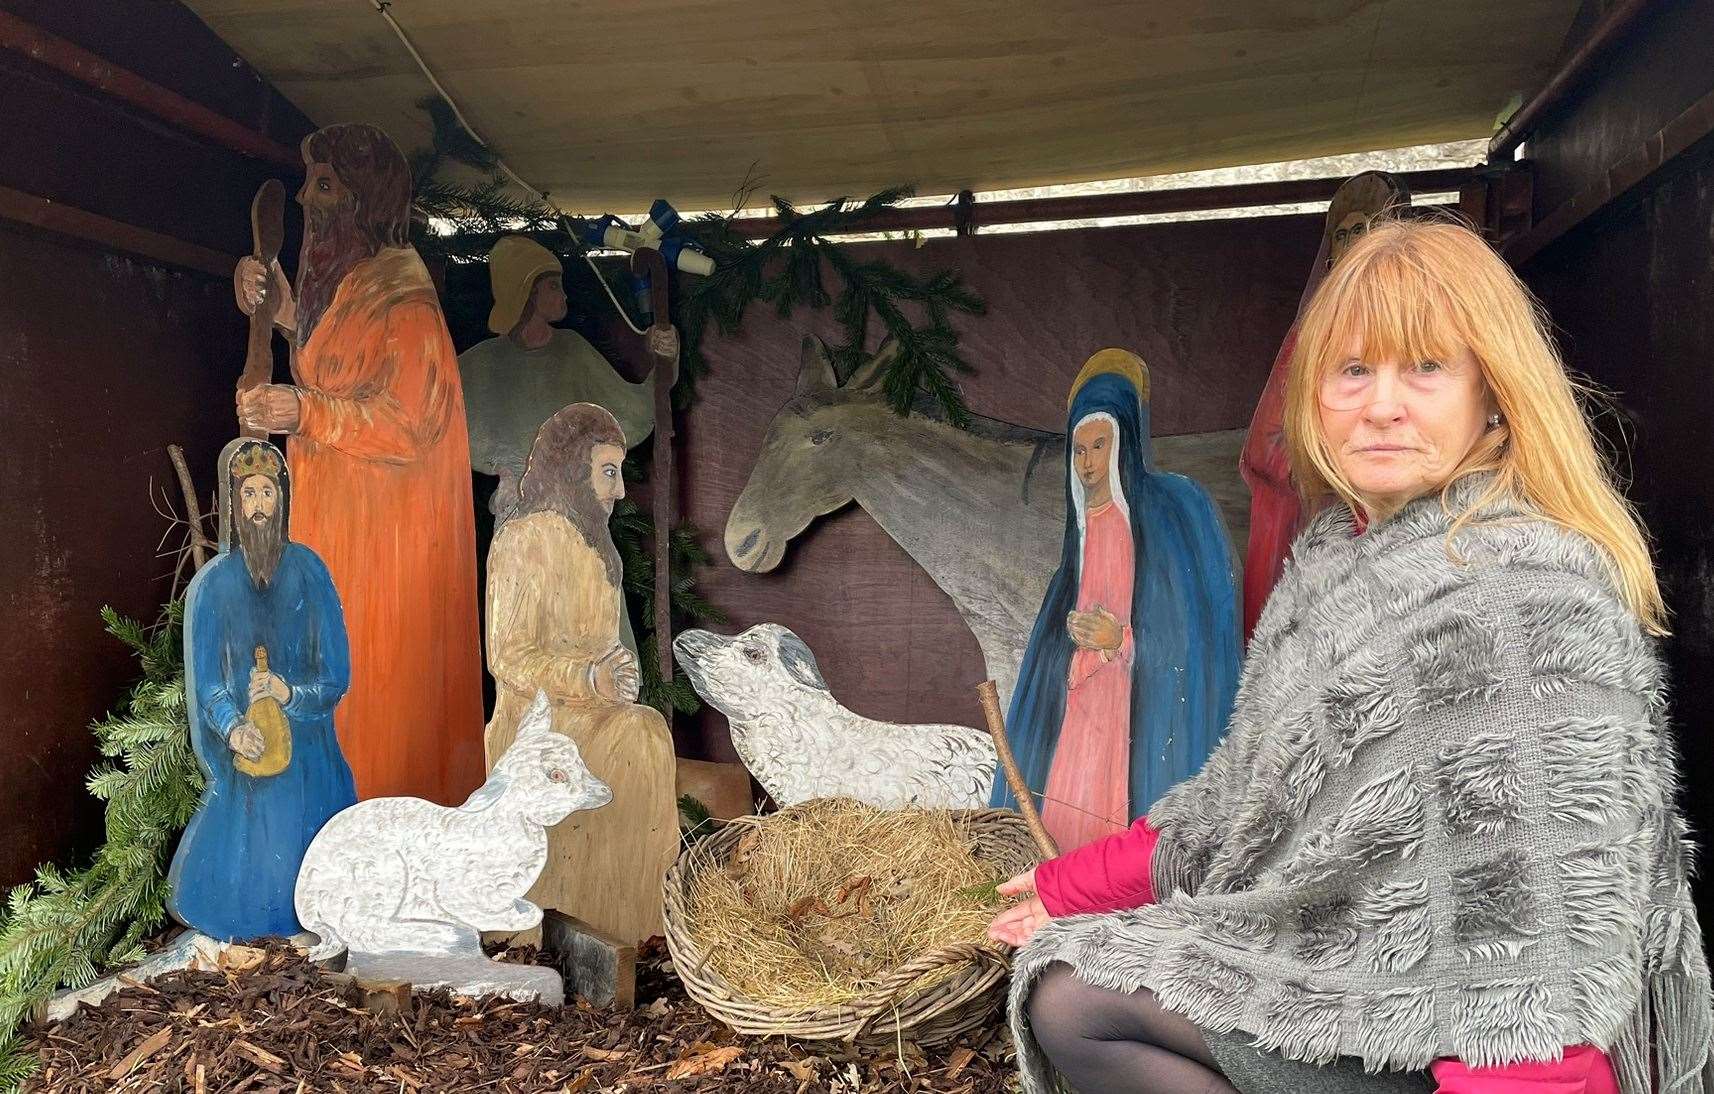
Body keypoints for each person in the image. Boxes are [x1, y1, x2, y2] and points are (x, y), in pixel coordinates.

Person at [991, 221, 1712, 1094]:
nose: (1381, 406)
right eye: (1353, 370)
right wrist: (1067, 889)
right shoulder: (1340, 554)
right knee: (1070, 987)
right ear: (1314, 397)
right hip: (1359, 972)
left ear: (1495, 394)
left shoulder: (1523, 596)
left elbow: (1532, 942)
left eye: (1426, 368)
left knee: (1079, 999)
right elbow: (1238, 804)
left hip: (1481, 1051)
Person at [234, 123, 485, 806]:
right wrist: (270, 299)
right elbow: (326, 342)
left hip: (388, 545)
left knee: (373, 692)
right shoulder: (354, 278)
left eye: (322, 186)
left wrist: (304, 411)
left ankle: (374, 829)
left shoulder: (408, 306)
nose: (306, 202)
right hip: (334, 525)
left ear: (359, 200)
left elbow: (405, 422)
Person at [991, 350, 1240, 851]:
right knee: (1069, 808)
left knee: (1115, 817)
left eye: (1098, 446)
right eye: (1078, 450)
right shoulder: (1079, 540)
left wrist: (1121, 640)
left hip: (1134, 704)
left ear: (1123, 442)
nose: (1086, 464)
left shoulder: (1170, 515)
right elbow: (1049, 649)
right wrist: (1071, 641)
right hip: (1082, 700)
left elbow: (1191, 637)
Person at [481, 404, 678, 945]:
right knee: (638, 738)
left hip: (592, 713)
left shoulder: (595, 548)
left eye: (620, 473)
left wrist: (616, 679)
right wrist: (587, 679)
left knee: (643, 734)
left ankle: (633, 926)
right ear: (573, 469)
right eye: (608, 472)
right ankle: (559, 922)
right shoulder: (524, 541)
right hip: (536, 723)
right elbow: (509, 656)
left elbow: (605, 649)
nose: (618, 491)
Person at [168, 439, 356, 940]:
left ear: (282, 501)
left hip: (313, 763)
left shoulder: (311, 573)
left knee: (321, 884)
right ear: (233, 503)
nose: (257, 504)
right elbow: (207, 682)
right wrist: (233, 729)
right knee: (237, 901)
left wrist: (288, 693)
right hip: (250, 763)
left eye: (267, 492)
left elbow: (336, 674)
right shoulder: (211, 588)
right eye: (247, 493)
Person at [1238, 172, 1409, 640]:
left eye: (1366, 230)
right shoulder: (1307, 341)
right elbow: (1265, 444)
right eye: (1344, 234)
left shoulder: (1415, 333)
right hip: (1315, 509)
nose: (1355, 243)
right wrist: (1323, 467)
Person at [459, 234, 662, 518]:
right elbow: (437, 409)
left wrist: (665, 359)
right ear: (527, 292)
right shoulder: (481, 362)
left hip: (569, 510)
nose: (564, 296)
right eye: (553, 286)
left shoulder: (572, 349)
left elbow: (628, 411)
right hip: (513, 515)